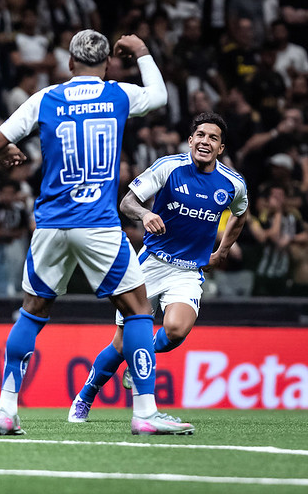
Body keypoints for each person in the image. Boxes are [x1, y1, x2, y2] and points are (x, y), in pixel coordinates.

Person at [0, 29, 193, 436]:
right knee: (136, 310)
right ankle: (146, 413)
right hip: (97, 223)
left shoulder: (45, 98)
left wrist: (6, 152)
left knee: (33, 310)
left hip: (50, 224)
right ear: (108, 65)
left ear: (68, 64)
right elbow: (160, 96)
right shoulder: (117, 94)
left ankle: (6, 410)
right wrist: (143, 51)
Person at [69, 112, 248, 422]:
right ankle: (84, 397)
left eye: (213, 138)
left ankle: (143, 356)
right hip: (151, 264)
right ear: (191, 140)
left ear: (221, 148)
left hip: (188, 270)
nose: (205, 141)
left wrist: (222, 251)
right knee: (122, 344)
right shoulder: (169, 167)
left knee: (177, 330)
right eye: (201, 135)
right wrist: (144, 215)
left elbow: (240, 214)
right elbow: (127, 202)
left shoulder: (232, 183)